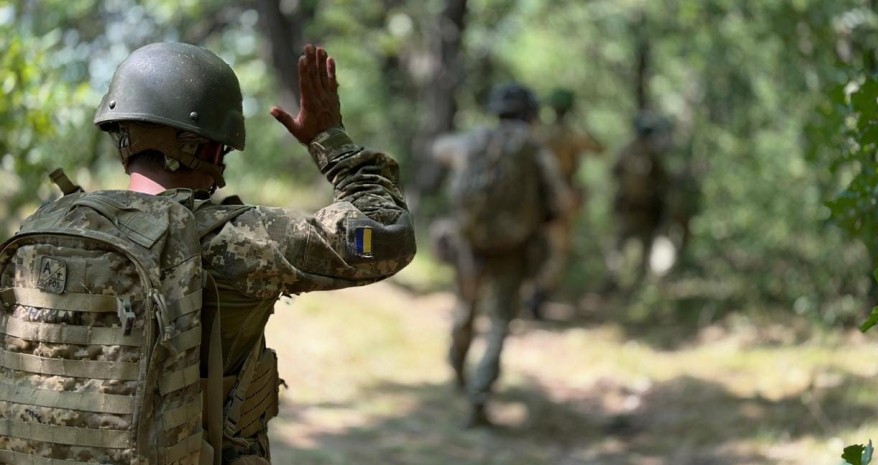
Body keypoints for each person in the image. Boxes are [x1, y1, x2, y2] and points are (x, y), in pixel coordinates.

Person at [93, 42, 416, 464]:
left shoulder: (51, 229)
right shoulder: (234, 239)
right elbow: (385, 235)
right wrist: (330, 140)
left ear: (124, 137)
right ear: (205, 147)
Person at [430, 83, 570, 428]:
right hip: (512, 248)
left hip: (470, 243)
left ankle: (458, 371)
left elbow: (438, 149)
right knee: (499, 324)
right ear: (531, 113)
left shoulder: (472, 141)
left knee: (466, 310)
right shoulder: (534, 147)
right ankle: (479, 397)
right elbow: (562, 201)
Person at [528, 88, 605, 318]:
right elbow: (600, 149)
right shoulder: (572, 134)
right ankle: (537, 296)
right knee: (558, 253)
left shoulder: (539, 132)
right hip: (560, 202)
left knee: (534, 250)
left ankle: (529, 295)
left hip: (535, 201)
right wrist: (583, 120)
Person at [609, 109, 670, 291]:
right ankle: (636, 284)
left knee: (620, 244)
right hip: (642, 209)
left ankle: (616, 281)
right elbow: (664, 180)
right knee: (640, 245)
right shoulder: (653, 153)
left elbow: (614, 174)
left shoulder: (627, 151)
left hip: (633, 208)